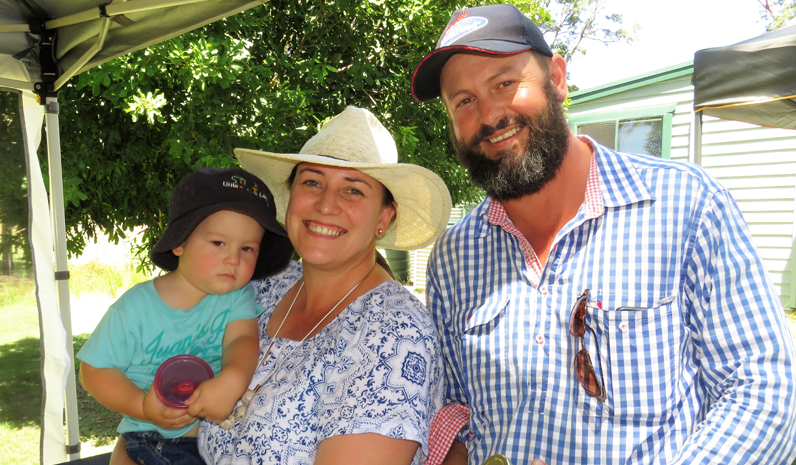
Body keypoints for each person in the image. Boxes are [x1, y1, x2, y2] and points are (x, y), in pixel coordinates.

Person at [411, 4, 796, 465]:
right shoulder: (454, 257)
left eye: (505, 83)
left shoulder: (686, 205)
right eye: (464, 101)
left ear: (556, 78)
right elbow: (454, 407)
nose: (490, 114)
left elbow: (764, 389)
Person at [197, 106, 451, 464]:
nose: (326, 204)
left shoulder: (394, 335)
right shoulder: (261, 287)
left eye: (353, 190)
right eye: (312, 182)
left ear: (383, 217)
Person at [78, 168, 294, 464]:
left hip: (215, 438)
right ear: (180, 243)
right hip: (156, 438)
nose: (234, 259)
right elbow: (94, 372)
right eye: (219, 243)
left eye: (247, 248)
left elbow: (241, 340)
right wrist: (142, 406)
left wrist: (232, 379)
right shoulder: (136, 307)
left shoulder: (236, 296)